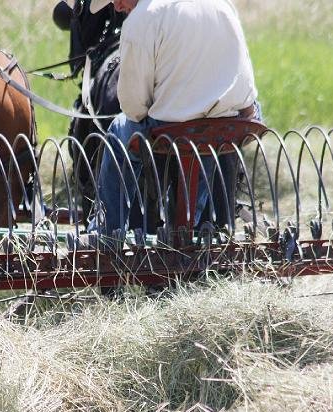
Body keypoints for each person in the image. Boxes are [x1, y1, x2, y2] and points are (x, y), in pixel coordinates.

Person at [87, 0, 261, 236]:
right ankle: (192, 224)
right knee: (206, 137)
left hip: (174, 131)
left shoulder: (140, 21)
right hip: (235, 124)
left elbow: (133, 106)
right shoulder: (222, 3)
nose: (116, 7)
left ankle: (106, 232)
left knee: (119, 129)